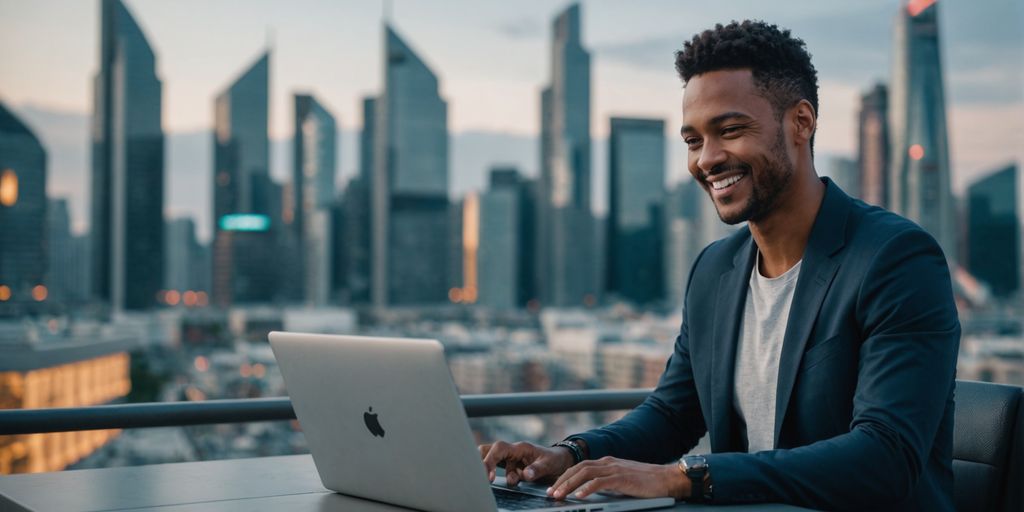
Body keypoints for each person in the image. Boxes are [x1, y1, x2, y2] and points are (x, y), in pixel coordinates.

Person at [479, 20, 959, 510]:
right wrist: (567, 454)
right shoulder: (715, 269)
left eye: (730, 130)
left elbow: (885, 458)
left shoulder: (896, 259)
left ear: (801, 122)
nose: (707, 159)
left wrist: (685, 478)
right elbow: (671, 415)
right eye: (692, 141)